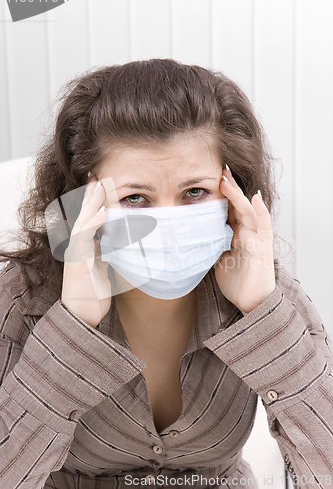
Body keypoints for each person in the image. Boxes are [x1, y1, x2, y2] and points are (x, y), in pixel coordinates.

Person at [0, 59, 332, 489]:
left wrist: (265, 317)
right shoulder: (23, 299)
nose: (169, 225)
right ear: (85, 197)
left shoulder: (266, 292)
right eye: (136, 197)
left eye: (195, 192)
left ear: (234, 193)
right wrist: (73, 324)